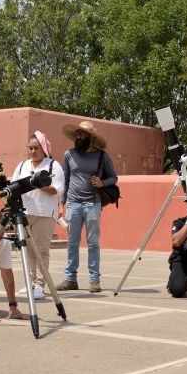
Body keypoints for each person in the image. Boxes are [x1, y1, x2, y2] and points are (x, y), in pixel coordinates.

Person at [56, 120, 117, 293]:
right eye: (77, 134)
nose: (79, 136)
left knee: (93, 243)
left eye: (82, 134)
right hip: (73, 204)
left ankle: (94, 280)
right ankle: (70, 279)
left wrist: (102, 182)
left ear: (90, 137)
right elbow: (65, 181)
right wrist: (62, 205)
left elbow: (114, 177)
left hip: (93, 204)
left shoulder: (102, 156)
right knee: (72, 243)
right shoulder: (69, 154)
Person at [11, 131, 65, 300]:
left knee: (41, 250)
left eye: (36, 148)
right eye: (30, 148)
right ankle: (31, 282)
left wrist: (38, 184)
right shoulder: (22, 165)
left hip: (45, 214)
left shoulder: (52, 165)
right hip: (24, 213)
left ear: (43, 149)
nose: (33, 151)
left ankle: (40, 285)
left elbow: (58, 190)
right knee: (27, 251)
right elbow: (14, 185)